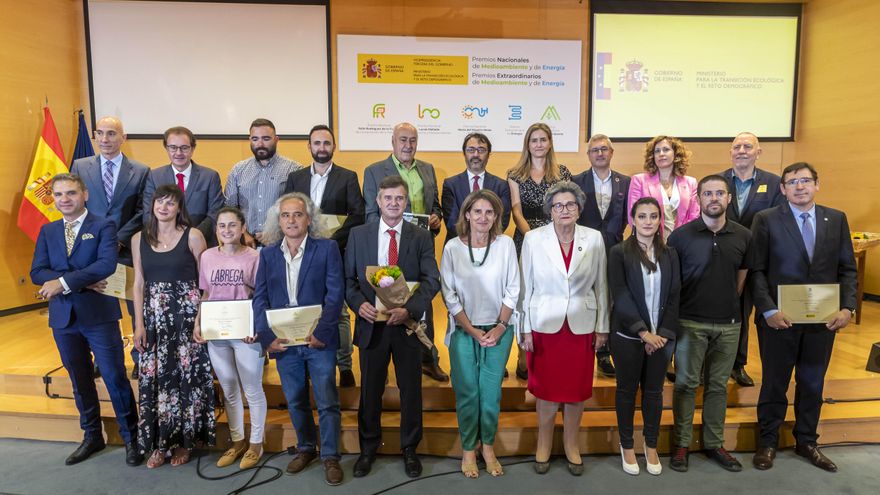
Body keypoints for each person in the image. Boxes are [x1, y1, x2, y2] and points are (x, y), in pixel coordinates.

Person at [750, 162, 857, 473]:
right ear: (782, 189)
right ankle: (767, 441)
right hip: (778, 319)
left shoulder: (835, 219)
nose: (799, 187)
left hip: (823, 321)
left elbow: (847, 269)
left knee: (812, 382)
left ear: (816, 185)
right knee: (774, 383)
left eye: (805, 181)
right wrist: (768, 310)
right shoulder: (766, 219)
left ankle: (807, 441)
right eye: (792, 182)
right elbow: (756, 270)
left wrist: (847, 307)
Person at [30, 173, 141, 466]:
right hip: (64, 318)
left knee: (115, 377)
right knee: (80, 380)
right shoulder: (48, 231)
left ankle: (133, 438)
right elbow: (37, 272)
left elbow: (105, 265)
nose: (64, 200)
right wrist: (76, 281)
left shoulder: (103, 225)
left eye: (71, 193)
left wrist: (63, 282)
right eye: (58, 195)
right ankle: (92, 436)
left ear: (85, 195)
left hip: (99, 315)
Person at [346, 175, 441, 479]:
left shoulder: (420, 236)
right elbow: (349, 281)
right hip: (371, 325)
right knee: (370, 391)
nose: (393, 203)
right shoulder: (359, 235)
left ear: (406, 202)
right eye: (388, 198)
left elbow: (431, 281)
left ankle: (410, 448)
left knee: (410, 390)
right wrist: (357, 303)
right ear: (377, 201)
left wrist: (409, 309)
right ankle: (368, 448)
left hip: (407, 326)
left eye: (399, 198)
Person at [253, 192, 345, 486]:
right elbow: (260, 299)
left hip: (317, 341)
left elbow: (335, 295)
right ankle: (306, 448)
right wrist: (266, 338)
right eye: (285, 215)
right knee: (295, 400)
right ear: (278, 221)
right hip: (283, 344)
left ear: (309, 219)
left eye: (298, 214)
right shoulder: (267, 254)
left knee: (327, 400)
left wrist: (322, 333)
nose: (291, 220)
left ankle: (330, 455)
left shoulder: (327, 248)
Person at [519, 180, 608, 476]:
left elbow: (602, 286)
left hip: (582, 326)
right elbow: (525, 287)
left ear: (579, 209)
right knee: (546, 390)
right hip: (544, 325)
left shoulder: (594, 238)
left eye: (571, 204)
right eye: (558, 205)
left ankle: (572, 445)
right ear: (550, 211)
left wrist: (603, 327)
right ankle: (542, 444)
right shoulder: (533, 239)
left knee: (576, 390)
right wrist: (525, 328)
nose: (565, 209)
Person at [666, 175, 751, 473]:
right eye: (707, 193)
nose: (713, 198)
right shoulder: (680, 236)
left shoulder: (743, 236)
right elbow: (673, 281)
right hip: (690, 322)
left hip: (729, 324)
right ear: (698, 199)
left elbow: (741, 278)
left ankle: (714, 443)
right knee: (686, 384)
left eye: (719, 193)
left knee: (717, 386)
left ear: (729, 198)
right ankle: (682, 443)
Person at [132, 184, 214, 468]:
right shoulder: (139, 238)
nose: (164, 207)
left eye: (170, 203)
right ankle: (158, 443)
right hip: (154, 320)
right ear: (152, 205)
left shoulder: (193, 236)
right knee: (156, 383)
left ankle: (183, 442)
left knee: (184, 382)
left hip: (187, 320)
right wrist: (139, 324)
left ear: (180, 208)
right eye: (159, 202)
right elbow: (138, 284)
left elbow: (206, 283)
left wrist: (200, 320)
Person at [440, 189, 519, 479]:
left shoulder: (506, 245)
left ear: (497, 216)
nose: (483, 217)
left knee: (489, 394)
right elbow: (448, 294)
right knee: (467, 393)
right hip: (463, 331)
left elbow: (513, 288)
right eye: (477, 211)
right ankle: (468, 449)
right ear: (467, 215)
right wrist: (472, 330)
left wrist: (499, 327)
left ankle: (487, 447)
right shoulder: (452, 248)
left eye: (489, 212)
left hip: (499, 330)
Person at [362, 122, 447, 382]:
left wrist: (436, 219)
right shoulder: (374, 171)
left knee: (421, 303)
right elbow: (370, 214)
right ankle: (382, 362)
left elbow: (436, 207)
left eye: (412, 140)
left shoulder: (427, 169)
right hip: (389, 245)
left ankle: (428, 358)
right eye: (403, 140)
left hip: (419, 246)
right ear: (393, 142)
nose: (408, 145)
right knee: (387, 299)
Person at [285, 125, 365, 388]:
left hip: (334, 253)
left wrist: (331, 241)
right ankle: (306, 362)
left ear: (333, 146)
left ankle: (344, 365)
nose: (322, 148)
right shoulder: (295, 178)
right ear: (309, 146)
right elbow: (287, 213)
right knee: (305, 306)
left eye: (326, 143)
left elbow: (357, 216)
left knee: (339, 311)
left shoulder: (348, 177)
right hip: (300, 254)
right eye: (317, 143)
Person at [70, 116, 150, 378]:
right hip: (90, 252)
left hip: (125, 249)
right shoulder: (80, 166)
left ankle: (141, 358)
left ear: (123, 138)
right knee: (97, 309)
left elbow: (143, 211)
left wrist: (119, 239)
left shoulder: (140, 170)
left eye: (112, 134)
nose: (105, 139)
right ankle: (102, 359)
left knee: (135, 307)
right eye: (100, 133)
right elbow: (75, 206)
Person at [608, 197, 680, 476]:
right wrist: (643, 332)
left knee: (653, 392)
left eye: (653, 216)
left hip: (661, 338)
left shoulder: (670, 254)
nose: (648, 221)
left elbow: (674, 295)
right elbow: (620, 293)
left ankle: (650, 445)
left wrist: (660, 335)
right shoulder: (619, 252)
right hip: (628, 336)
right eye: (642, 216)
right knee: (626, 392)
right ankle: (627, 445)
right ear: (632, 220)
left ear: (659, 220)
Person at [193, 207, 266, 469]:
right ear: (216, 230)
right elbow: (205, 294)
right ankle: (237, 442)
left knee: (252, 389)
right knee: (229, 389)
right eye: (222, 226)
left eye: (232, 225)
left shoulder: (255, 257)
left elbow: (261, 297)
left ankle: (256, 443)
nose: (227, 230)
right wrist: (198, 323)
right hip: (217, 332)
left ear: (242, 227)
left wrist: (257, 327)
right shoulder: (207, 257)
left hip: (246, 332)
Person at [716, 132, 785, 387]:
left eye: (747, 146)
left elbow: (779, 221)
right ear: (731, 152)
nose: (741, 150)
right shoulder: (719, 181)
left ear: (759, 151)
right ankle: (713, 364)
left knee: (746, 312)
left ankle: (738, 364)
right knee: (722, 311)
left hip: (759, 262)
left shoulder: (774, 183)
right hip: (723, 260)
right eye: (736, 146)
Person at [507, 122, 573, 380]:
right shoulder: (515, 173)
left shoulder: (562, 172)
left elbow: (566, 207)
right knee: (525, 295)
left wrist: (551, 238)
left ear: (549, 143)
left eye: (543, 139)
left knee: (552, 295)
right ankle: (522, 355)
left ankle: (548, 352)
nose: (538, 144)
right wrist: (535, 238)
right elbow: (516, 210)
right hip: (526, 239)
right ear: (527, 144)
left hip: (557, 240)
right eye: (533, 140)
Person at [573, 133, 632, 378]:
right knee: (587, 297)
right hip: (584, 249)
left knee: (612, 298)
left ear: (611, 153)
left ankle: (606, 351)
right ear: (588, 155)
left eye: (604, 149)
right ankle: (586, 347)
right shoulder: (576, 181)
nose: (599, 153)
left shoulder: (626, 182)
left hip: (616, 249)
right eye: (594, 150)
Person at [224, 118, 303, 247]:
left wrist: (277, 233)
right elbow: (229, 209)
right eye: (255, 139)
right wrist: (244, 234)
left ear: (276, 140)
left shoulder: (294, 169)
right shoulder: (238, 170)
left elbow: (299, 211)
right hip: (244, 243)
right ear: (250, 140)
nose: (260, 144)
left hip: (282, 243)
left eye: (266, 139)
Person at [142, 126, 224, 246]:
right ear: (166, 148)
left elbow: (214, 214)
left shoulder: (210, 177)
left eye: (184, 148)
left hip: (201, 244)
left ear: (193, 148)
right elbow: (148, 214)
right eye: (173, 148)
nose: (178, 153)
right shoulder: (154, 176)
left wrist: (191, 238)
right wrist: (169, 239)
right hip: (163, 245)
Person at [441, 132, 511, 244]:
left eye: (481, 150)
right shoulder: (450, 185)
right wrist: (471, 242)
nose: (476, 154)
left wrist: (483, 242)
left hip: (491, 247)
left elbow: (502, 220)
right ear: (464, 153)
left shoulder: (501, 185)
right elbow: (452, 222)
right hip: (459, 247)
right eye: (471, 150)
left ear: (488, 155)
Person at [627, 135, 699, 240]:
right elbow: (632, 215)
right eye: (657, 151)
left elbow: (694, 216)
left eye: (666, 149)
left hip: (683, 241)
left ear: (676, 154)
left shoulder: (690, 182)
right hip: (650, 241)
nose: (661, 154)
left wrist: (680, 238)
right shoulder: (639, 180)